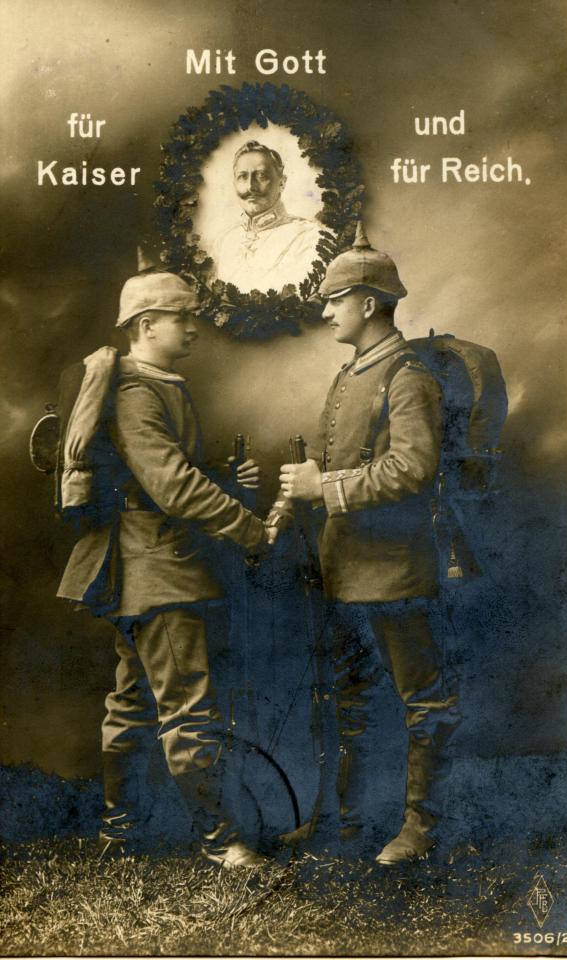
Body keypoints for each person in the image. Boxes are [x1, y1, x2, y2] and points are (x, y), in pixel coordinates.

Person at [57, 271, 271, 868]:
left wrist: (225, 478)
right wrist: (250, 527)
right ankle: (221, 841)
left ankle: (119, 835)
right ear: (147, 325)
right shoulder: (135, 390)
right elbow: (173, 487)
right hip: (156, 570)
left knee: (130, 704)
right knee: (188, 709)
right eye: (182, 316)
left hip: (140, 565)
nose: (193, 327)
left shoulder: (153, 384)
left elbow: (163, 475)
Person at [266, 225, 460, 865]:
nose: (324, 311)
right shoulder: (353, 372)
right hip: (345, 568)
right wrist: (306, 490)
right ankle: (348, 823)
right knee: (351, 696)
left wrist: (327, 486)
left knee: (422, 698)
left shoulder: (407, 377)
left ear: (369, 304)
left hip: (397, 570)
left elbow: (413, 467)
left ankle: (420, 829)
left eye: (334, 299)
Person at [210, 140, 324, 294]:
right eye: (242, 176)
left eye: (261, 176)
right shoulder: (224, 242)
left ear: (282, 183)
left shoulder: (308, 236)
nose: (250, 186)